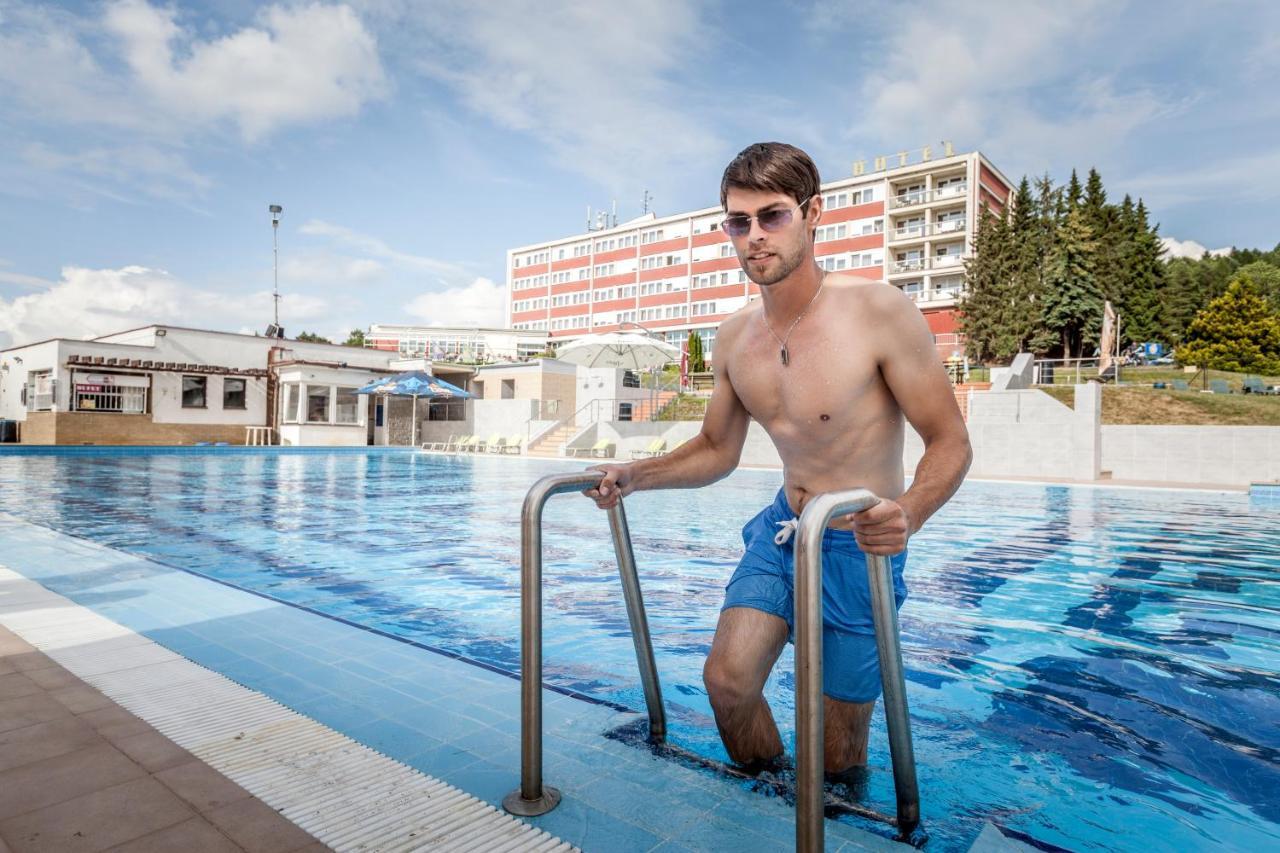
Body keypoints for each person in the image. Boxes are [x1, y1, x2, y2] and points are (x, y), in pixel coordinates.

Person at [585, 142, 971, 779]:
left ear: (812, 213)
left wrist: (910, 511)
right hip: (783, 532)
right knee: (728, 683)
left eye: (773, 216)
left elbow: (950, 440)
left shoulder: (878, 313)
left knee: (839, 742)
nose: (754, 237)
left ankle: (835, 817)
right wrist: (635, 476)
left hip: (856, 544)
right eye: (739, 222)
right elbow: (716, 450)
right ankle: (770, 802)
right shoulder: (735, 336)